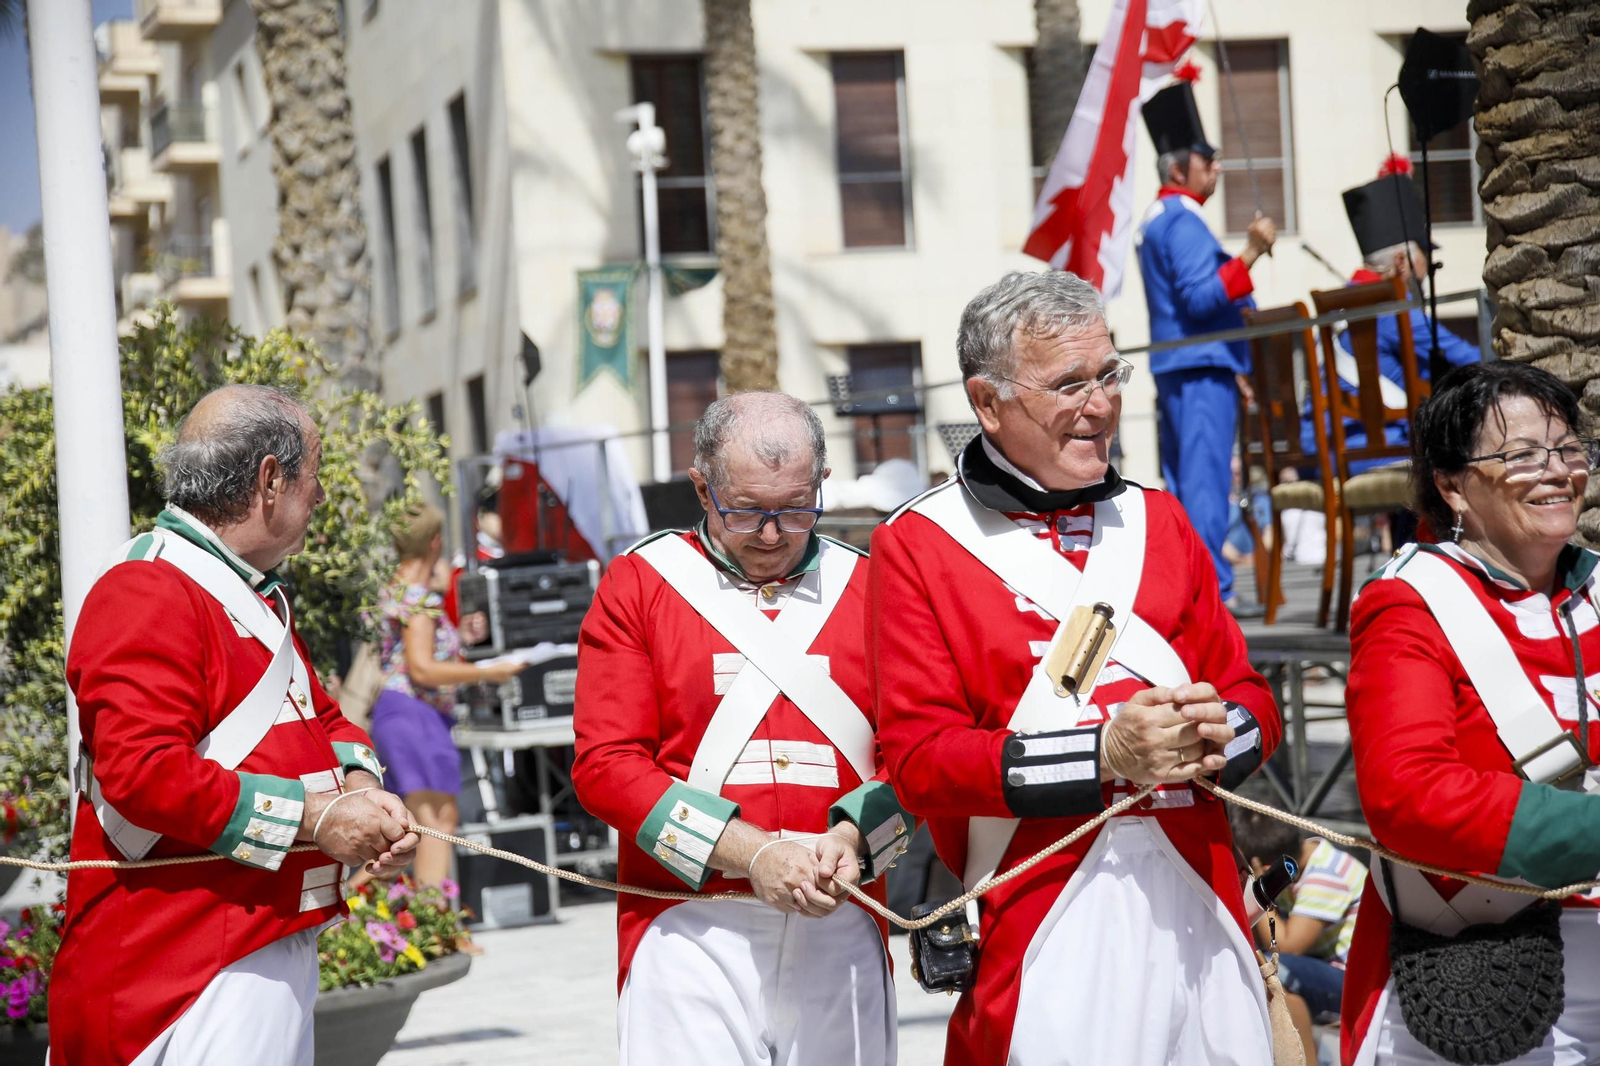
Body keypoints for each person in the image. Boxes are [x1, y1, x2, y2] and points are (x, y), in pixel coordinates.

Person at [871, 270, 1283, 1066]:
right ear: (988, 402)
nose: (1100, 405)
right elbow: (920, 762)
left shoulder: (1160, 518)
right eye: (1069, 385)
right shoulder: (919, 543)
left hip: (1200, 895)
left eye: (1109, 375)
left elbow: (1252, 698)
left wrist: (1211, 736)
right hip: (1044, 912)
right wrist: (1104, 756)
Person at [49, 385, 419, 1066]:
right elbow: (143, 773)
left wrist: (361, 791)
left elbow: (322, 716)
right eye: (313, 474)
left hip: (247, 947)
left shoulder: (245, 590)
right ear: (270, 481)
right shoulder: (147, 588)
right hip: (181, 971)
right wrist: (316, 819)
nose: (320, 495)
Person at [572, 391, 910, 1066]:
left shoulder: (876, 585)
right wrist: (752, 854)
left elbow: (918, 754)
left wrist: (852, 840)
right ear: (702, 488)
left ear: (822, 482)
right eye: (748, 511)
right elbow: (607, 765)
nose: (773, 535)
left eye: (797, 508)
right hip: (689, 926)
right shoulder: (640, 584)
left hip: (842, 914)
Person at [1341, 361, 1600, 1065]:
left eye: (1567, 448)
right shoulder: (1409, 605)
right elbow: (1409, 795)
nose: (1557, 471)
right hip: (1487, 974)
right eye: (1522, 455)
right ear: (1453, 486)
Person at [1136, 77, 1278, 618]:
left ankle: (1195, 591)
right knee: (1205, 484)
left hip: (1185, 366)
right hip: (1199, 369)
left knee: (1186, 482)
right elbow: (1200, 298)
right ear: (1179, 170)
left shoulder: (1161, 220)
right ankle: (1211, 593)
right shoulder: (1182, 221)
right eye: (1206, 157)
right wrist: (1252, 253)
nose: (1216, 166)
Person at [369, 502, 521, 886]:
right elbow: (422, 668)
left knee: (416, 827)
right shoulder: (421, 599)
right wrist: (488, 672)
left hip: (399, 715)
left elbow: (411, 654)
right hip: (417, 715)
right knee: (433, 824)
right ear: (435, 542)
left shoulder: (395, 589)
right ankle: (431, 914)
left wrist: (459, 637)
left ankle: (396, 913)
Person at [1300, 164, 1481, 475]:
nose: (1427, 270)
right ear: (1401, 261)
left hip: (1321, 455)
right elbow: (1473, 359)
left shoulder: (1338, 306)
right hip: (1375, 453)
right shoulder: (1394, 309)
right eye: (1424, 258)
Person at [1231, 806, 1367, 1054]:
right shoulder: (1304, 856)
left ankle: (1307, 1058)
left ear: (1267, 867)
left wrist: (1260, 887)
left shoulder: (1327, 875)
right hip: (1321, 964)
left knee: (1271, 971)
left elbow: (1286, 947)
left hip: (1354, 985)